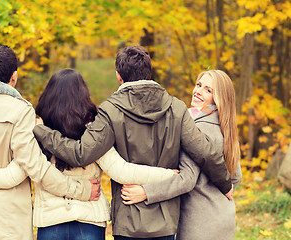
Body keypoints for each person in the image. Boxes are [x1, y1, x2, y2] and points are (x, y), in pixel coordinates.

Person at [32, 46, 233, 239]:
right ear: (149, 71)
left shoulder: (110, 110)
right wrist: (225, 184)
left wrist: (41, 131)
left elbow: (81, 154)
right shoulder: (176, 107)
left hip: (128, 219)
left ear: (119, 76)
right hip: (165, 220)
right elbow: (205, 152)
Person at [0, 68, 179, 240]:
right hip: (89, 219)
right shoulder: (93, 127)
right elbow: (120, 170)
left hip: (50, 220)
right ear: (83, 94)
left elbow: (21, 171)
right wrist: (169, 175)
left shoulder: (36, 126)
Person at [0, 45, 100, 240]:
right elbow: (36, 168)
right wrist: (82, 190)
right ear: (14, 76)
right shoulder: (20, 111)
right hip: (7, 220)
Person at [121, 70, 242, 240]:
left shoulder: (196, 128)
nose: (198, 91)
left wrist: (146, 192)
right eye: (199, 85)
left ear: (219, 98)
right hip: (224, 218)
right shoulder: (225, 128)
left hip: (199, 225)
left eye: (208, 90)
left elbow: (187, 180)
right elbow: (236, 176)